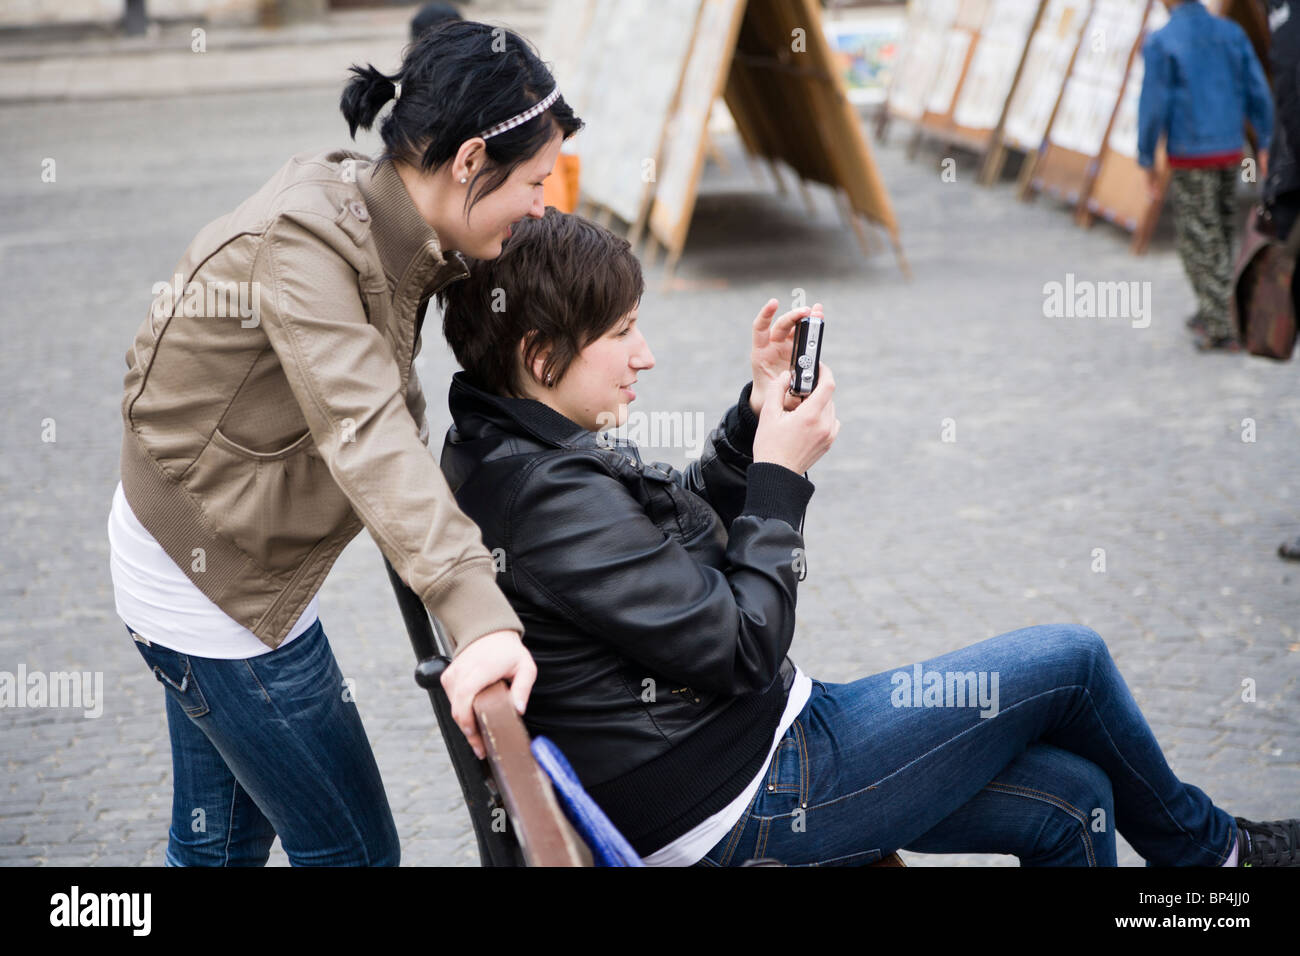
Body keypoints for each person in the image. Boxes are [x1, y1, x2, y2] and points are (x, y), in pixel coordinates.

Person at [434, 208, 1300, 866]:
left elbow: (662, 554)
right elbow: (739, 644)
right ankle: (1217, 861)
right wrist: (781, 475)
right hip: (744, 793)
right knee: (1070, 658)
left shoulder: (512, 443)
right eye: (622, 333)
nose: (645, 355)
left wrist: (748, 422)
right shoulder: (547, 493)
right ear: (543, 356)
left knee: (1076, 801)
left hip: (743, 747)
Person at [109, 20, 581, 866]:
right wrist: (479, 618)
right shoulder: (309, 243)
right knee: (356, 851)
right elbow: (368, 433)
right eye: (537, 182)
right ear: (469, 160)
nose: (543, 204)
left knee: (218, 850)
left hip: (221, 546)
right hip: (216, 588)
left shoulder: (387, 219)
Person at [1137, 0, 1274, 351]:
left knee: (1198, 239)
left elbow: (1153, 107)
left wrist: (1146, 157)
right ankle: (1214, 308)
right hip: (1230, 148)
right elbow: (1256, 88)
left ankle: (1222, 324)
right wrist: (1265, 139)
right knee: (1222, 228)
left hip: (1190, 153)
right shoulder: (1230, 33)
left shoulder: (1162, 41)